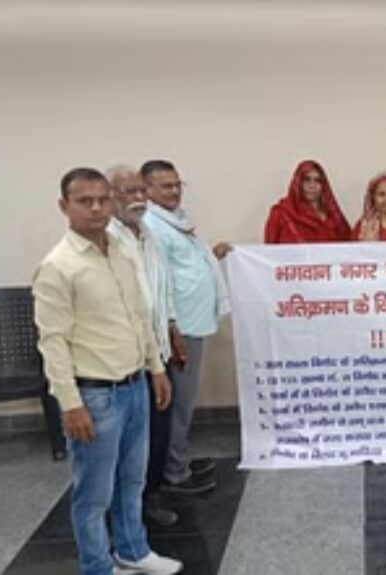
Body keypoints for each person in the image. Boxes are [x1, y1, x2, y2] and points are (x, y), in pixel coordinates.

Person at [33, 167, 181, 575]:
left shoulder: (121, 251)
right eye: (85, 201)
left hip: (135, 385)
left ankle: (133, 549)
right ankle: (97, 566)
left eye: (103, 199)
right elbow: (53, 342)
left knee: (132, 480)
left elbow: (139, 315)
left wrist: (156, 368)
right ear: (64, 206)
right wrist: (71, 404)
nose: (96, 208)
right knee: (94, 492)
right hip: (94, 395)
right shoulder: (58, 266)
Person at [142, 159, 230, 495]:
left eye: (178, 184)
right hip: (179, 329)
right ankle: (174, 472)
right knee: (178, 402)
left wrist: (213, 257)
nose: (175, 190)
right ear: (147, 189)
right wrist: (172, 327)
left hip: (193, 323)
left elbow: (185, 265)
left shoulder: (175, 220)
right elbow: (159, 281)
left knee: (183, 400)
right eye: (166, 186)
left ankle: (179, 458)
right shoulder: (152, 225)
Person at [106, 165, 181, 527]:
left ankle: (149, 496)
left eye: (140, 191)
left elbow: (162, 289)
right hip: (126, 360)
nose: (137, 198)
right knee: (130, 442)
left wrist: (172, 328)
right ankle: (127, 509)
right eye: (128, 192)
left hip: (158, 350)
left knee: (157, 433)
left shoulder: (147, 233)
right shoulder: (108, 239)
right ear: (111, 197)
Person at [265, 159, 352, 243]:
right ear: (298, 183)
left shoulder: (333, 216)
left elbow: (349, 245)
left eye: (317, 181)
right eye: (307, 180)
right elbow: (270, 249)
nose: (312, 186)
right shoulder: (281, 214)